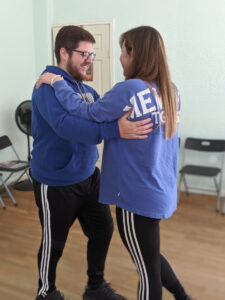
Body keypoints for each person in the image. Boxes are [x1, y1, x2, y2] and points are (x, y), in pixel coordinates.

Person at [37, 26, 195, 300]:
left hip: (97, 179)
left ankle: (95, 288)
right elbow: (65, 126)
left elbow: (93, 112)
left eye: (92, 54)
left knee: (107, 233)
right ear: (63, 53)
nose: (90, 59)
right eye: (84, 54)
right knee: (55, 244)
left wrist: (111, 125)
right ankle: (46, 292)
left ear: (136, 54)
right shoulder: (45, 86)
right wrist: (114, 130)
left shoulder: (85, 89)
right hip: (58, 180)